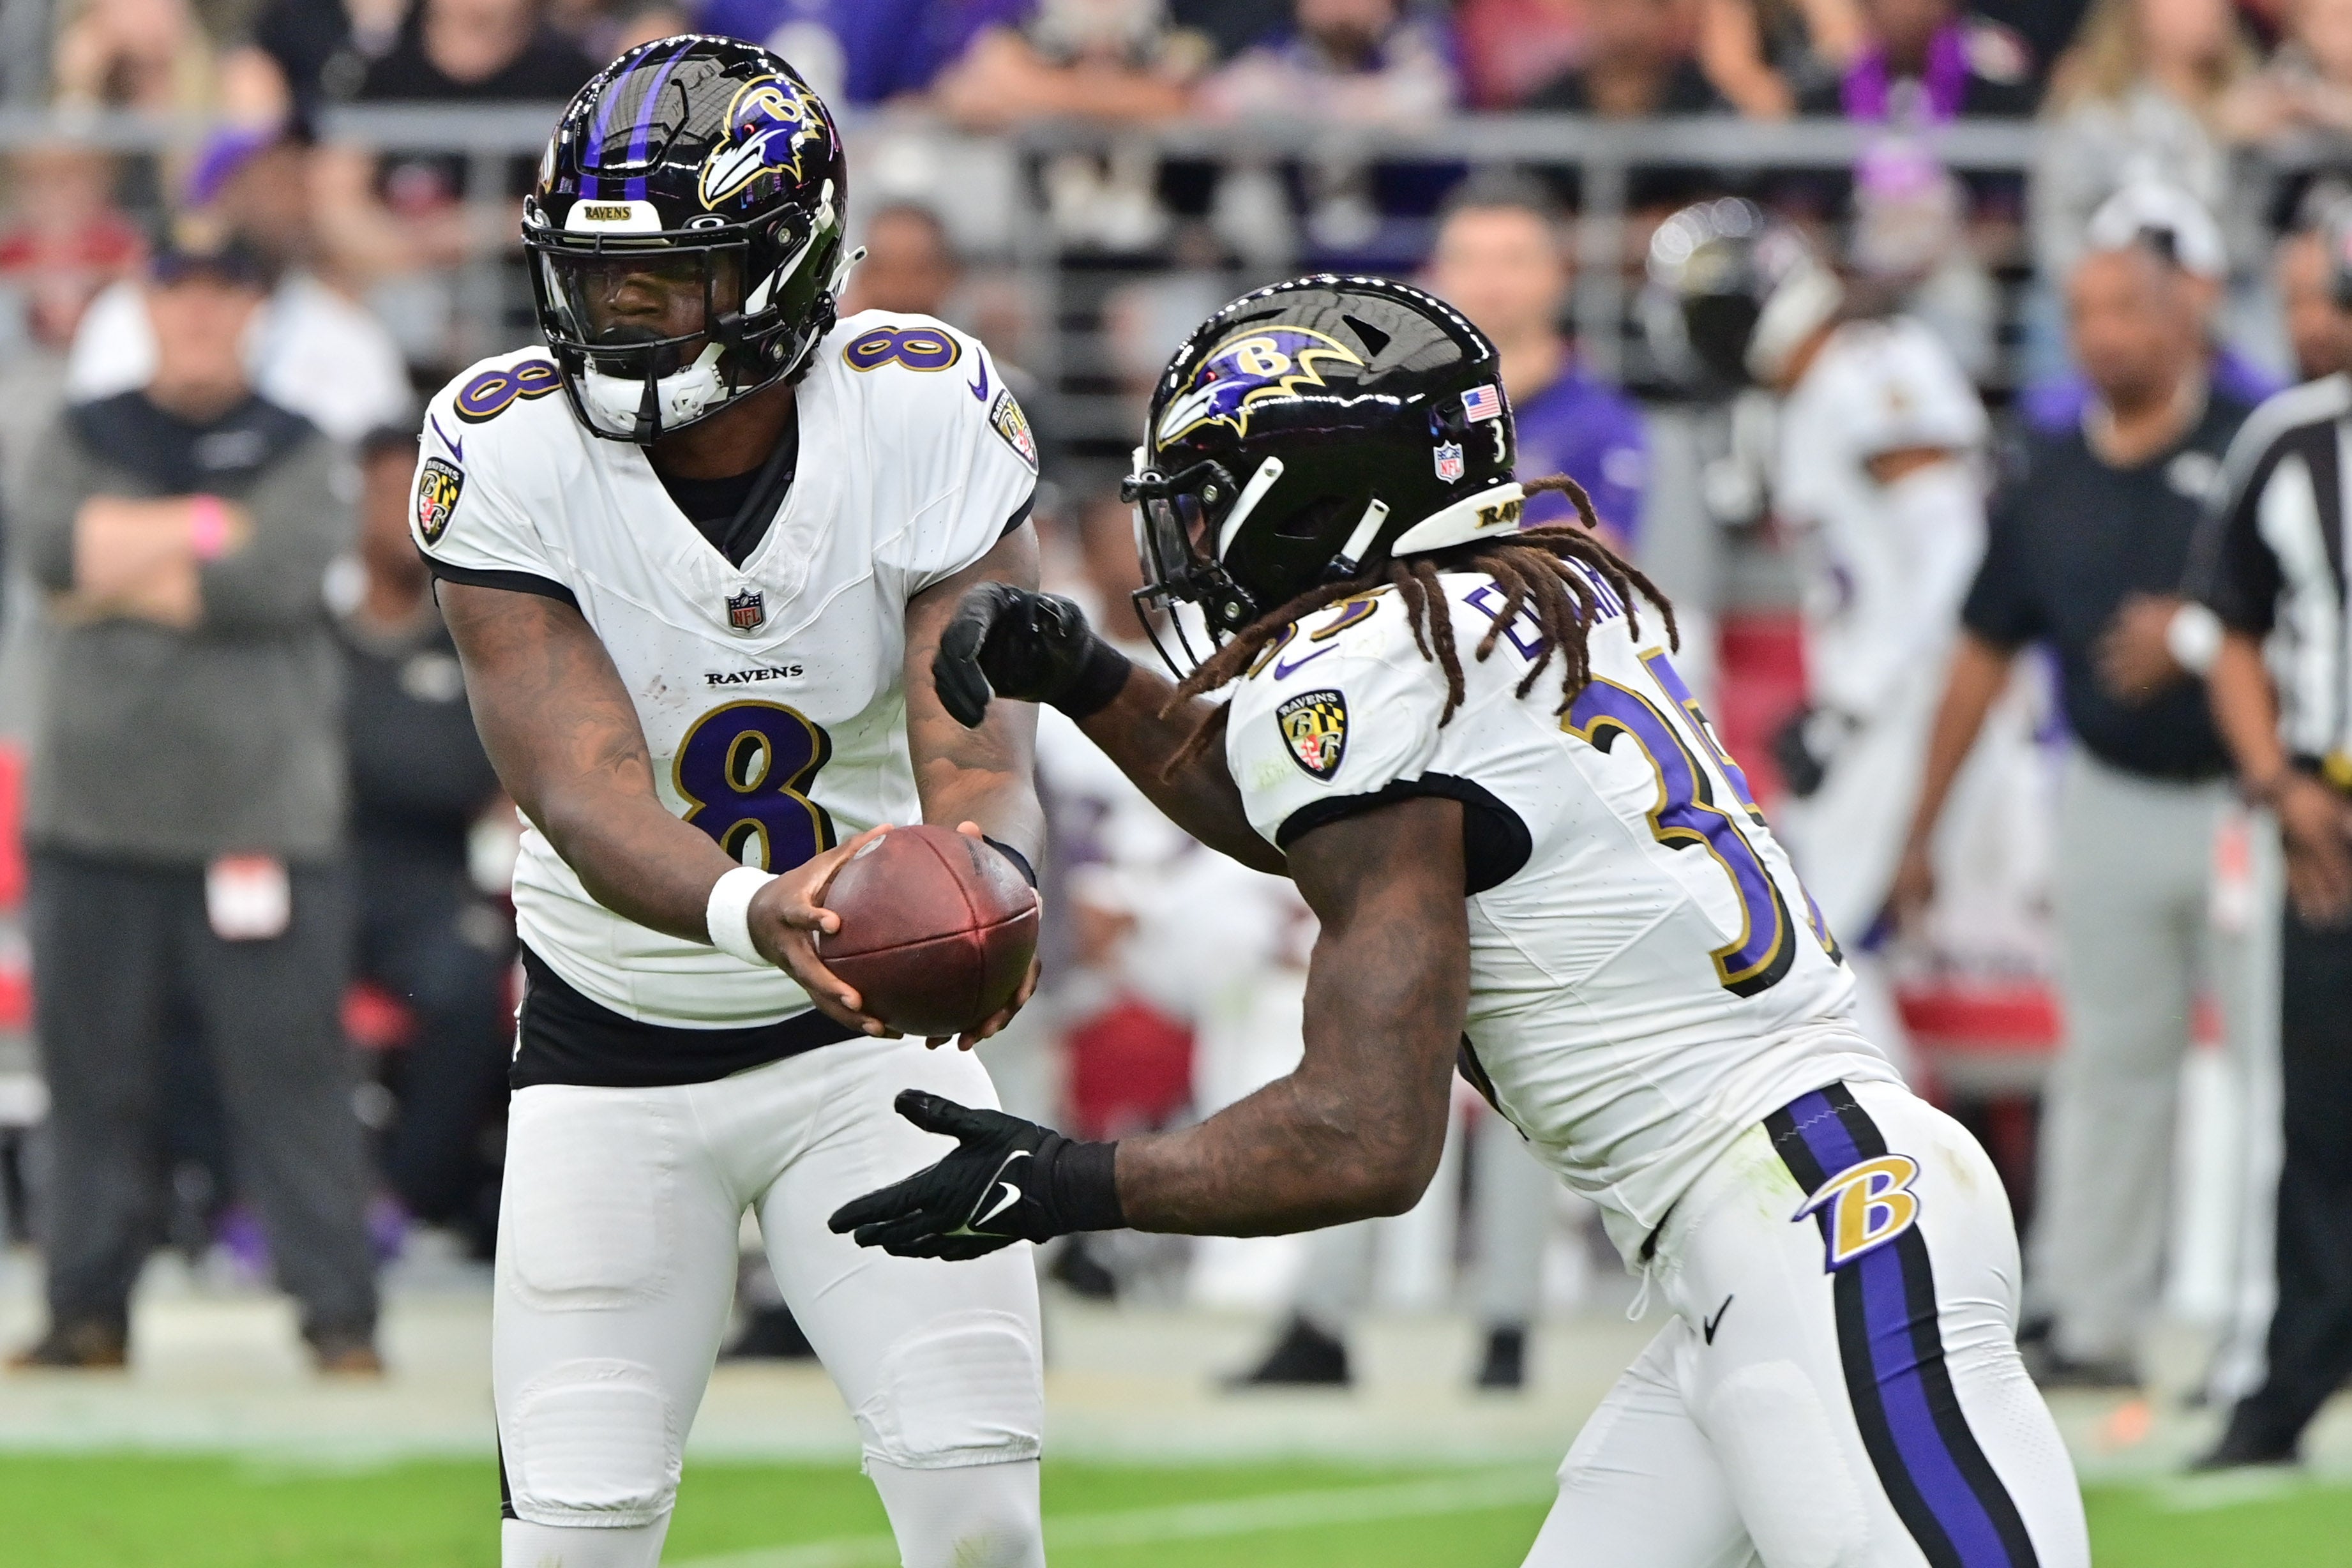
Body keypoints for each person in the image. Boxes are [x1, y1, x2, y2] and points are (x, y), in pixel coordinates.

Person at [833, 273, 2090, 1567]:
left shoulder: (1377, 671)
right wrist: (1093, 679)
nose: (1195, 545)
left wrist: (1065, 1180)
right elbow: (1316, 817)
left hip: (1819, 1222)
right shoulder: (1521, 605)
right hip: (1771, 1223)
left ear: (1313, 496)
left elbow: (1365, 1136)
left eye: (1212, 501)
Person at [413, 39, 1049, 1568]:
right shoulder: (499, 440)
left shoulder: (921, 406)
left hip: (874, 1044)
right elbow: (577, 778)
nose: (607, 318)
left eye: (659, 284)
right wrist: (746, 907)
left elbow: (970, 734)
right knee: (574, 1536)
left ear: (784, 267)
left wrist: (975, 875)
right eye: (589, 278)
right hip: (613, 1047)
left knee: (980, 1518)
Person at [1891, 214, 2257, 1389]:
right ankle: (2091, 1315)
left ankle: (2266, 1322)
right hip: (2103, 790)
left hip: (2245, 801)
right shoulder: (2046, 474)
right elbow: (1977, 652)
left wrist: (2199, 639)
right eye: (2083, 313)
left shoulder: (2249, 449)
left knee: (2275, 1069)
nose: (2100, 336)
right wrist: (1920, 827)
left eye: (2123, 310)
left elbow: (2312, 619)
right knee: (2106, 1063)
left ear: (2180, 314)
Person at [11, 230, 378, 1373]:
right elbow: (49, 546)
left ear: (257, 310)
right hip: (91, 820)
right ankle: (86, 1310)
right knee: (88, 1081)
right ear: (151, 303)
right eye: (185, 293)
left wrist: (125, 568)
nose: (205, 315)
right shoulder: (82, 430)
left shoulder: (299, 441)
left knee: (293, 1078)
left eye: (229, 293)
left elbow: (276, 577)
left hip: (258, 823)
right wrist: (206, 542)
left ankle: (338, 1316)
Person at [1664, 198, 1988, 1071]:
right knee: (1809, 937)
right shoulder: (1804, 393)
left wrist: (1851, 705)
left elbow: (1956, 551)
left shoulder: (1869, 363)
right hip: (1878, 696)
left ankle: (1896, 1167)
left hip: (1917, 694)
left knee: (1811, 943)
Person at [2183, 208, 2352, 1471]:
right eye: (2303, 297)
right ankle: (2291, 1380)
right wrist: (2274, 778)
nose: (2313, 323)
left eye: (2328, 297)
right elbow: (2229, 618)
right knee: (2325, 1115)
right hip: (2333, 813)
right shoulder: (2291, 441)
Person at [338, 426, 513, 1258]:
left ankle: (406, 1199)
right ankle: (248, 1200)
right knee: (226, 977)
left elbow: (481, 777)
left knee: (468, 980)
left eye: (415, 498)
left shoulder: (477, 635)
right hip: (320, 870)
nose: (397, 518)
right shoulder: (310, 639)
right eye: (380, 496)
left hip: (433, 879)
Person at [69, 128, 413, 445]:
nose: (276, 202)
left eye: (289, 179)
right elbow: (90, 448)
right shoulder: (121, 315)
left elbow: (391, 477)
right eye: (259, 182)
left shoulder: (349, 333)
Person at [1424, 176, 1650, 544]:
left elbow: (1593, 553)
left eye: (1513, 260)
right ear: (1436, 272)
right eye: (1467, 260)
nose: (1488, 282)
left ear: (1558, 271)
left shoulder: (1599, 419)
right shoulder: (1396, 413)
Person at [1795, 0, 2039, 120]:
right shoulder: (1828, 94)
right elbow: (1804, 203)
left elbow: (2001, 205)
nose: (1908, 9)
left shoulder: (1993, 93)